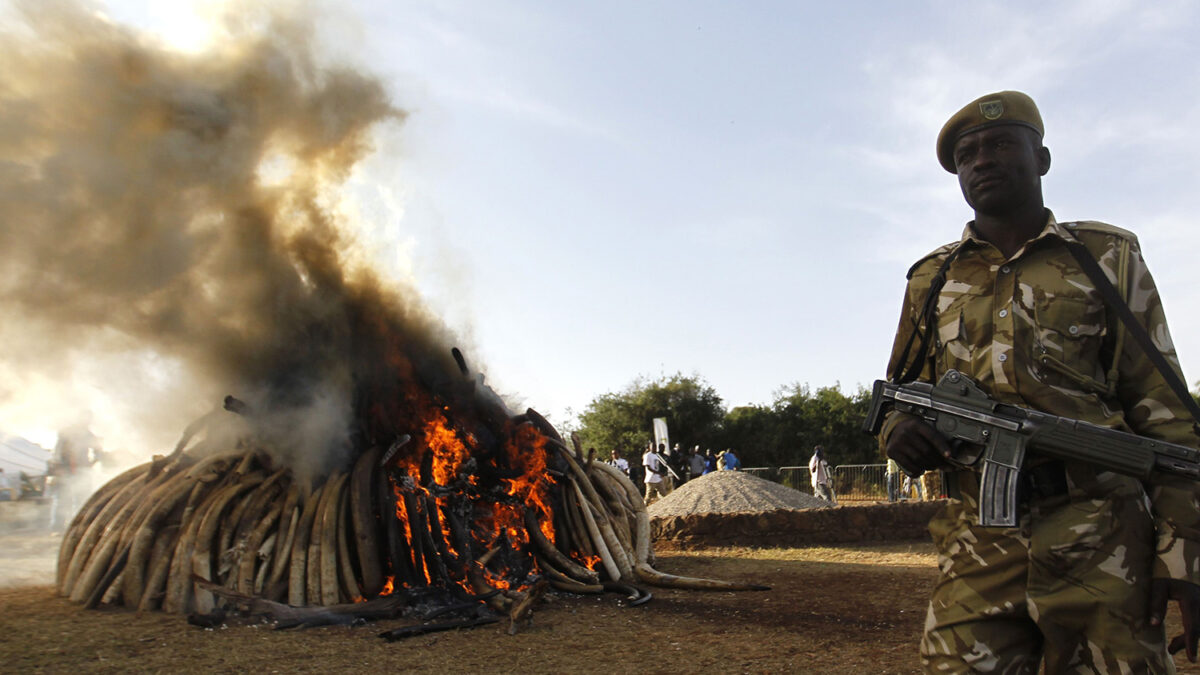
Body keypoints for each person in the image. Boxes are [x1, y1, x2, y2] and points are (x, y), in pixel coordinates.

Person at [878, 90, 1200, 671]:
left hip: (1102, 535)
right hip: (978, 540)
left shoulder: (1106, 257)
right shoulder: (932, 278)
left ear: (1042, 159)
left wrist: (1182, 553)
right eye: (967, 154)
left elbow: (1165, 414)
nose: (982, 160)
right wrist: (900, 430)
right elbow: (898, 393)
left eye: (1001, 145)